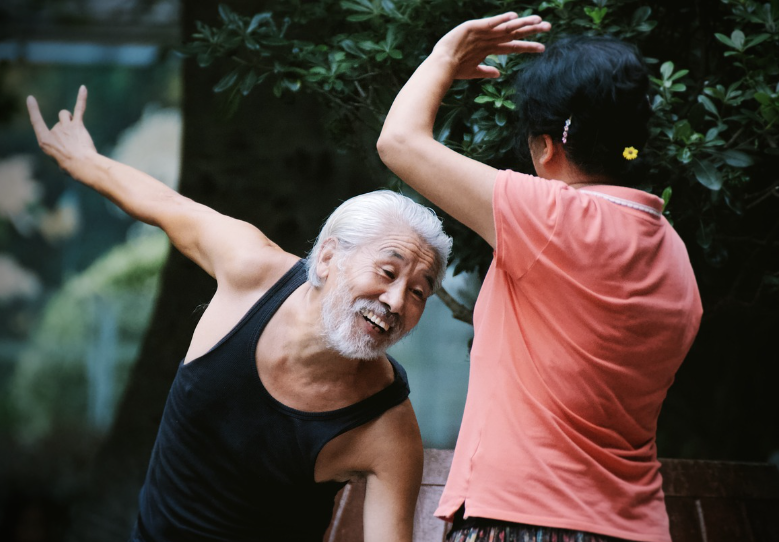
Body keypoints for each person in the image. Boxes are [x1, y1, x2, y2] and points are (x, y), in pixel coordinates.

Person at [27, 86, 453, 542]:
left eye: (418, 292)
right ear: (328, 258)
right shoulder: (252, 271)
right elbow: (169, 207)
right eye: (387, 271)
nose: (395, 302)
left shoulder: (387, 427)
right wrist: (83, 161)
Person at [377, 11, 702, 542]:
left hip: (525, 520)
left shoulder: (552, 217)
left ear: (546, 145)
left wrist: (444, 57)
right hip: (636, 528)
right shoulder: (674, 252)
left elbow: (399, 143)